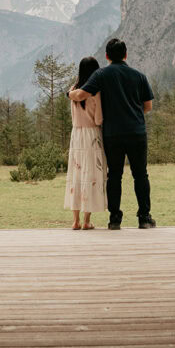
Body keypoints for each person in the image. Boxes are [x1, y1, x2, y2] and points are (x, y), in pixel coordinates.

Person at [68, 38, 155, 230]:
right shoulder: (139, 76)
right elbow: (148, 106)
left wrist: (69, 94)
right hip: (136, 132)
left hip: (112, 134)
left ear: (107, 56)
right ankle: (144, 218)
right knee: (140, 174)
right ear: (125, 54)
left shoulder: (101, 75)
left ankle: (115, 218)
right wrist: (133, 111)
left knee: (114, 175)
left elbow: (81, 95)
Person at [63, 57, 107, 230]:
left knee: (76, 175)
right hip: (92, 135)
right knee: (91, 176)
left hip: (76, 134)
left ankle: (75, 220)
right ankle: (87, 221)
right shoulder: (95, 92)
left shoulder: (72, 90)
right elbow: (98, 119)